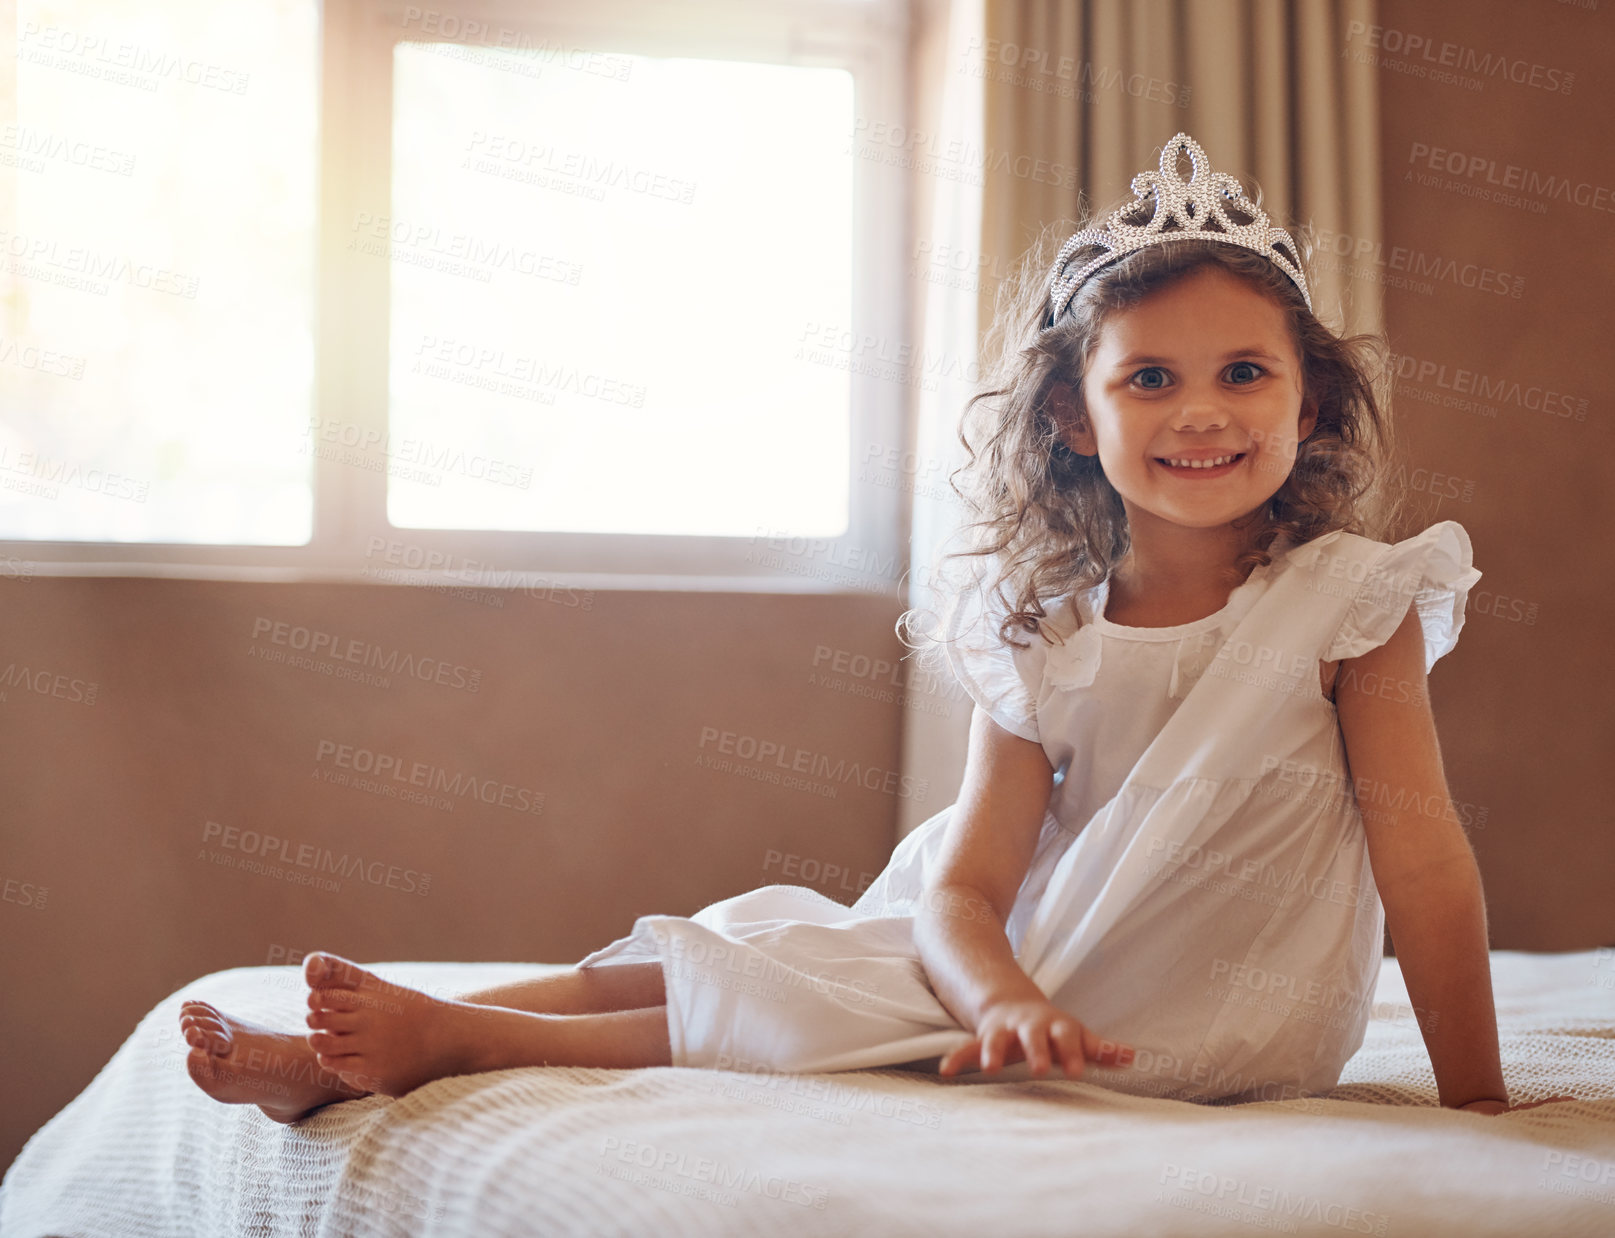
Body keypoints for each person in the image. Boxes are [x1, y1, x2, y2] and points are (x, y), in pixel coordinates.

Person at [180, 132, 1569, 1123]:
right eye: (1150, 377)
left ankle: (455, 1037)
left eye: (1244, 373)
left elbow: (1424, 856)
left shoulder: (1348, 600)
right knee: (780, 943)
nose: (1202, 410)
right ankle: (383, 1034)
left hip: (1213, 1009)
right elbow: (965, 888)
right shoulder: (1042, 628)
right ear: (1077, 424)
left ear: (1310, 403)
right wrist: (1000, 994)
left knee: (817, 995)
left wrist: (1475, 1091)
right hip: (1022, 962)